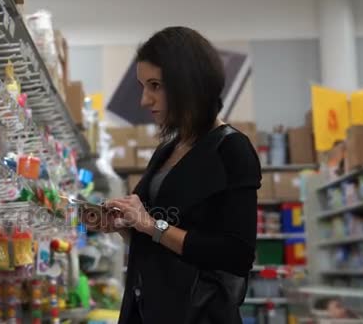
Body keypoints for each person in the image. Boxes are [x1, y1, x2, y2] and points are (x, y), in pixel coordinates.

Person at [82, 27, 261, 323]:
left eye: (155, 85)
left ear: (188, 84)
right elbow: (158, 242)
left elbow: (237, 255)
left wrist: (151, 225)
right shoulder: (167, 150)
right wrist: (126, 226)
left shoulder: (232, 148)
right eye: (142, 86)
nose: (144, 100)